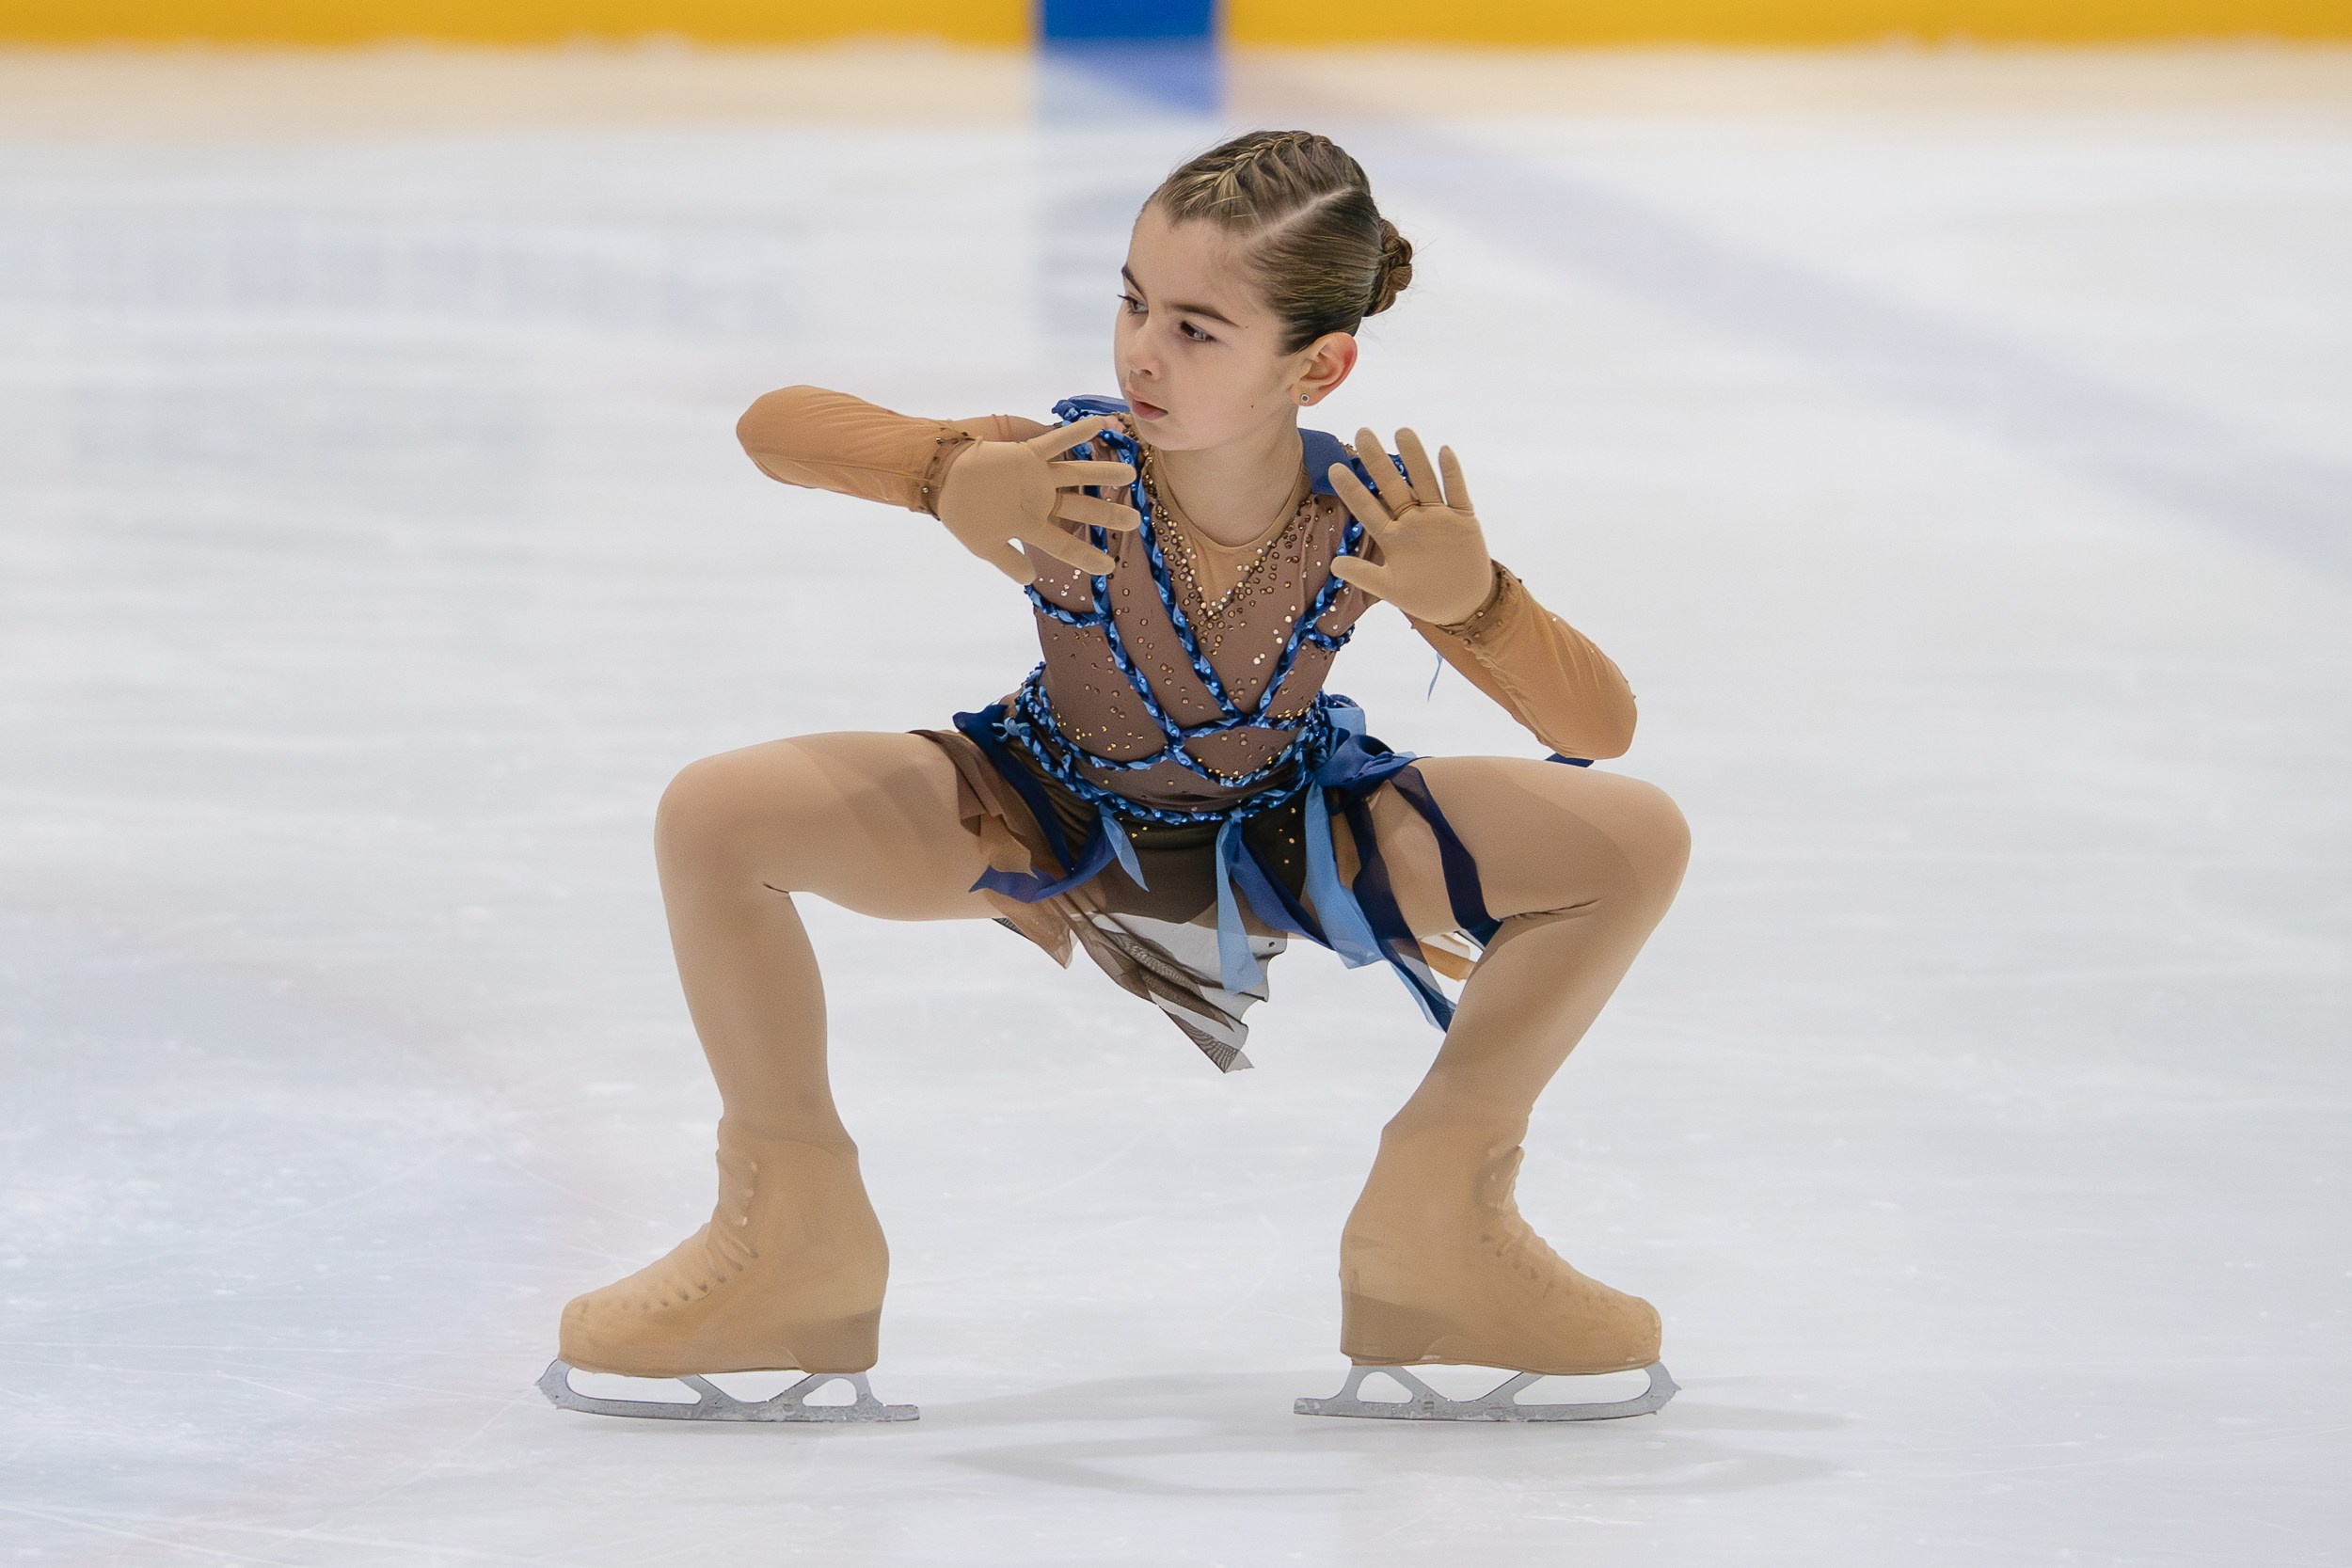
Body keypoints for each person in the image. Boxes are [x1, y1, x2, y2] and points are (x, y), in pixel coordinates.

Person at [538, 129, 1691, 1426]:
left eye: (1197, 329)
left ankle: (1441, 1220)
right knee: (719, 813)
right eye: (1133, 300)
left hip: (1290, 834)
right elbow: (774, 429)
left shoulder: (1360, 517)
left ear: (1318, 364)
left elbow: (1600, 724)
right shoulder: (1066, 470)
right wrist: (947, 476)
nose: (1141, 348)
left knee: (1631, 838)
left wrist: (1480, 604)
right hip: (1047, 806)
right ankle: (791, 1235)